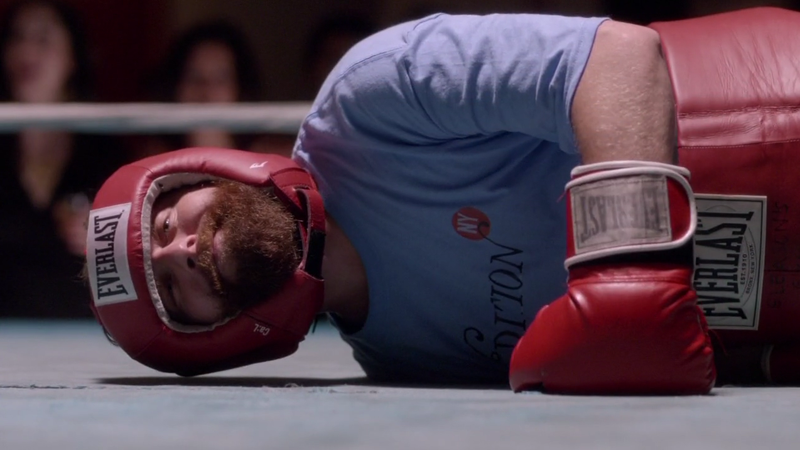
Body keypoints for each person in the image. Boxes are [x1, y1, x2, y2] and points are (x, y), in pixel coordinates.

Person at [86, 7, 799, 393]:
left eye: (165, 221)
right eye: (172, 288)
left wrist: (631, 273)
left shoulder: (368, 101)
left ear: (201, 174)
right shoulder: (402, 362)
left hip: (768, 114)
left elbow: (618, 57)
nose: (182, 250)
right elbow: (661, 354)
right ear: (215, 340)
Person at [0, 0, 125, 318]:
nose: (26, 50)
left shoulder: (104, 153)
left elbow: (134, 263)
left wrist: (105, 240)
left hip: (82, 333)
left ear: (72, 58)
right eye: (17, 37)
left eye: (43, 39)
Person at [138, 20, 293, 158]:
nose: (207, 91)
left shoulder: (271, 159)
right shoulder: (153, 161)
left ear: (240, 89)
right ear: (176, 87)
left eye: (221, 79)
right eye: (194, 77)